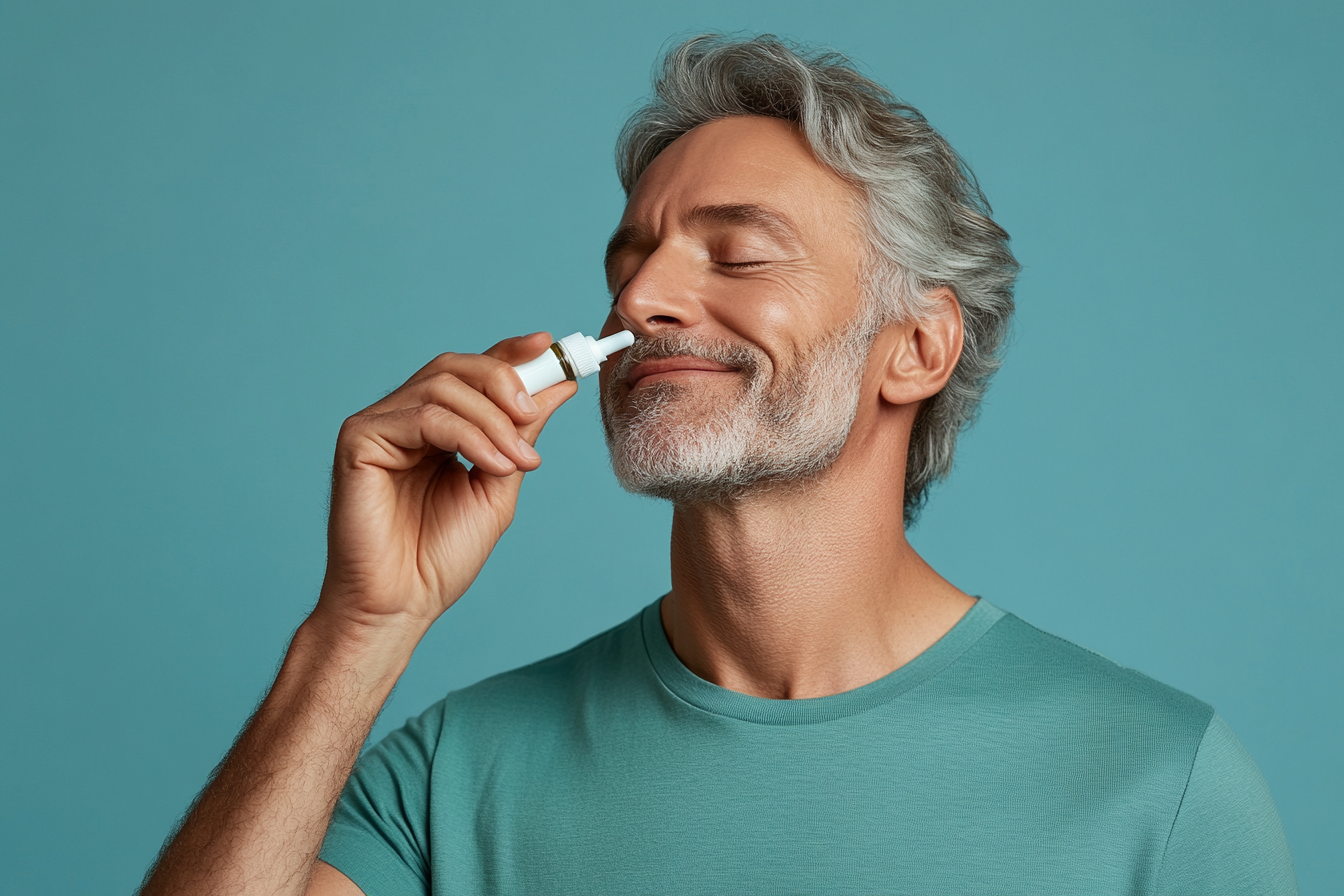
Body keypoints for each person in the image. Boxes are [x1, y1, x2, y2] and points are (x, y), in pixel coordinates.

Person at [139, 35, 1297, 896]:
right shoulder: (451, 778)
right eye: (629, 258)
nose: (639, 300)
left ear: (919, 346)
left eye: (737, 254)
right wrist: (360, 625)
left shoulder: (1160, 786)